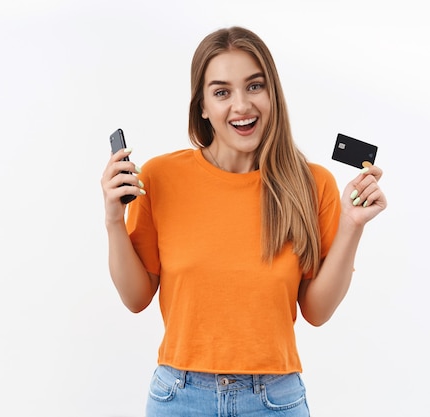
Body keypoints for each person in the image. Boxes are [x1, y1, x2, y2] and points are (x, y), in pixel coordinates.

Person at [100, 26, 386, 416]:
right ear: (202, 106)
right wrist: (114, 220)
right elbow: (136, 299)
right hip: (179, 398)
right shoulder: (160, 177)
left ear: (273, 94)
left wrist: (353, 225)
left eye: (255, 86)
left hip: (274, 400)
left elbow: (317, 312)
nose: (242, 105)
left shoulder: (311, 183)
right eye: (221, 92)